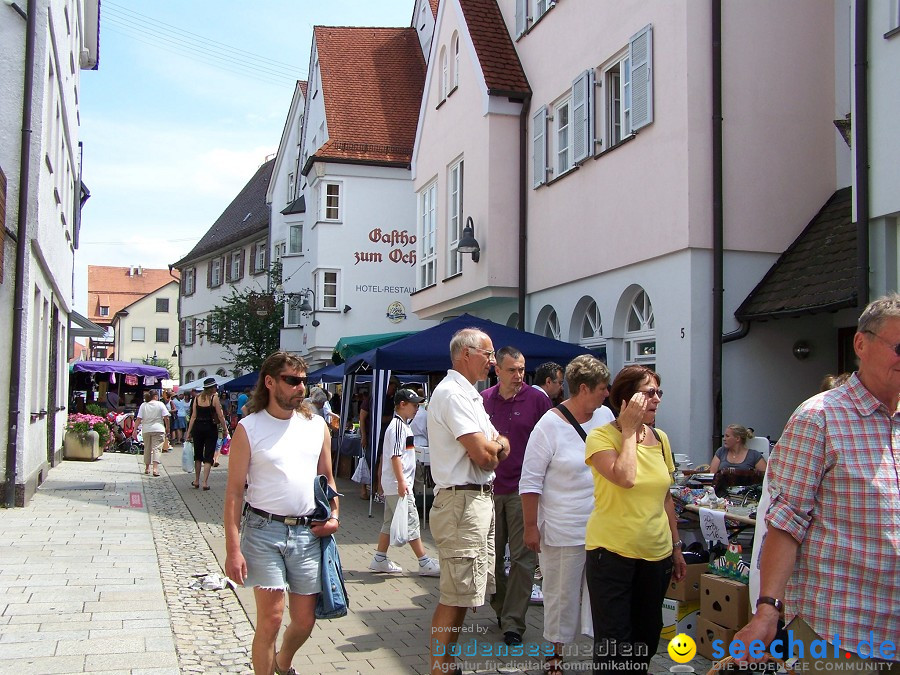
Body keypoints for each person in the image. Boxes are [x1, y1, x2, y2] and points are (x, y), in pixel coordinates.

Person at [735, 294, 900, 669]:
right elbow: (786, 521)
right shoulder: (819, 418)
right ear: (862, 343)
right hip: (839, 627)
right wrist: (767, 611)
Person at [223, 351, 340, 675]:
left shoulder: (317, 426)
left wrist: (334, 515)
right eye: (292, 380)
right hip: (264, 531)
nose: (300, 388)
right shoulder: (249, 427)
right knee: (272, 619)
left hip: (307, 533)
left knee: (304, 620)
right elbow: (234, 493)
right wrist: (233, 550)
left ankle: (283, 662)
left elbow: (327, 479)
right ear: (270, 382)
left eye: (303, 381)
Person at [584, 365, 686, 674]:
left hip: (655, 555)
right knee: (615, 644)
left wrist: (676, 547)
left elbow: (665, 496)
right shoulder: (601, 437)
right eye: (648, 393)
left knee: (646, 638)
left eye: (659, 393)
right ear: (625, 400)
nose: (656, 399)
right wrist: (628, 431)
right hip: (611, 554)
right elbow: (625, 477)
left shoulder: (661, 439)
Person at [520, 355, 614, 674]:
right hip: (562, 528)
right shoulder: (549, 425)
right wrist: (531, 527)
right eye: (603, 388)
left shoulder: (605, 416)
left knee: (602, 598)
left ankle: (604, 656)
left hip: (603, 527)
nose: (607, 393)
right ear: (584, 388)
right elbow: (530, 481)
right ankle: (554, 658)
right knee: (561, 596)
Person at [428, 328, 510, 675]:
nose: (492, 362)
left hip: (473, 502)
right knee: (455, 594)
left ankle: (446, 665)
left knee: (464, 593)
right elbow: (485, 454)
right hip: (462, 502)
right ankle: (439, 667)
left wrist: (495, 448)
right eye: (488, 355)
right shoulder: (453, 394)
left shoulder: (469, 395)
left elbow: (499, 444)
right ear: (466, 354)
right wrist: (495, 449)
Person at [481, 346, 552, 646]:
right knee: (491, 559)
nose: (519, 375)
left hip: (526, 492)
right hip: (491, 489)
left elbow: (552, 440)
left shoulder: (538, 400)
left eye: (522, 369)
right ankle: (501, 607)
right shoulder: (483, 401)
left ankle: (514, 622)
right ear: (497, 369)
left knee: (524, 559)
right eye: (512, 369)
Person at [367, 388, 440, 577]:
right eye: (414, 405)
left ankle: (380, 558)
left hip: (396, 483)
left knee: (389, 521)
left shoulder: (401, 426)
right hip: (400, 484)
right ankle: (424, 561)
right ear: (402, 405)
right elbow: (395, 456)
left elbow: (393, 455)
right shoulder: (399, 426)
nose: (417, 408)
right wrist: (401, 482)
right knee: (411, 521)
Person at [359, 376, 400, 502]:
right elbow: (363, 418)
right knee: (369, 462)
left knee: (380, 464)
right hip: (372, 436)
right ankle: (364, 489)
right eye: (393, 387)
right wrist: (364, 436)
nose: (394, 390)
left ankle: (376, 489)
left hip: (384, 437)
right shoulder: (373, 398)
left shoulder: (391, 399)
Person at [186, 377, 230, 490]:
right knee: (209, 455)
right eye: (215, 386)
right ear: (211, 388)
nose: (216, 388)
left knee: (198, 455)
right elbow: (220, 416)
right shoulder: (214, 398)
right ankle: (205, 482)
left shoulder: (196, 398)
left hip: (197, 428)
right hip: (210, 428)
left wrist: (188, 431)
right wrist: (225, 429)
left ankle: (196, 480)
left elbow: (193, 416)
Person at [136, 390, 169, 477]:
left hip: (146, 429)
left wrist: (134, 430)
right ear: (155, 396)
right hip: (159, 429)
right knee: (156, 449)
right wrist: (167, 427)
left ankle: (147, 468)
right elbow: (166, 417)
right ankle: (155, 469)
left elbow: (138, 419)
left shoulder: (143, 405)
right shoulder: (160, 404)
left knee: (147, 448)